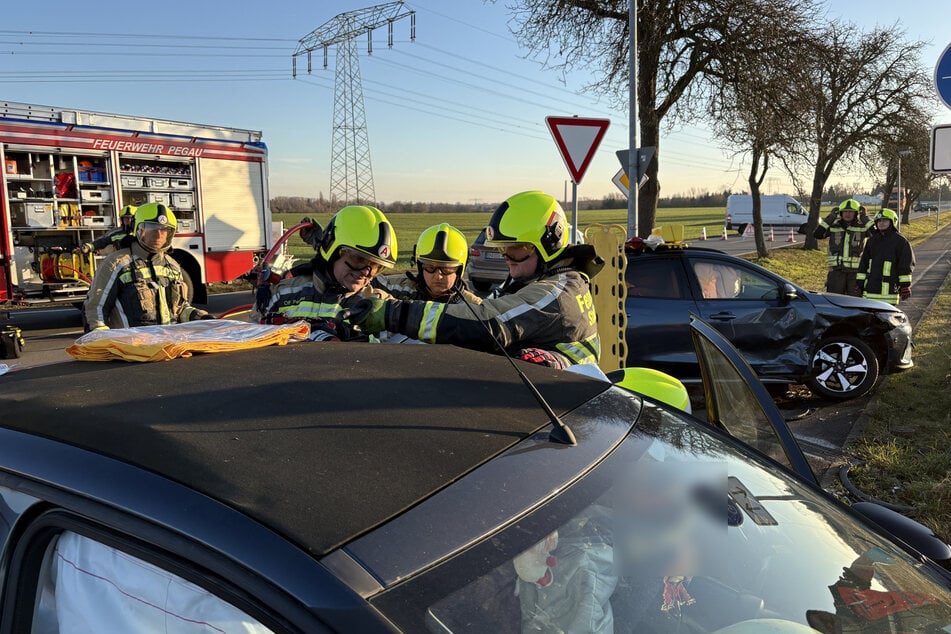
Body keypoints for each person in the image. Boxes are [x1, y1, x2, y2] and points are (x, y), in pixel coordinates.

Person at [344, 191, 603, 368]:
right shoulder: (540, 279)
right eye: (503, 249)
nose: (508, 259)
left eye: (517, 249)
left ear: (550, 240)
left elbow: (487, 323)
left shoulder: (553, 293)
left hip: (564, 403)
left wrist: (394, 314)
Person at [251, 205, 396, 340]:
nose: (365, 272)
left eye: (376, 266)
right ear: (331, 250)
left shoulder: (381, 307)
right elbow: (249, 341)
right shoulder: (281, 294)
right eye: (358, 259)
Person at [84, 203, 211, 330]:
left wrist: (199, 317)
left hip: (167, 345)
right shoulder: (116, 263)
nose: (158, 235)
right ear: (138, 230)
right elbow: (96, 308)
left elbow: (180, 308)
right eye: (152, 229)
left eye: (164, 230)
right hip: (131, 347)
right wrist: (102, 339)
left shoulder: (173, 266)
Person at [376, 223, 482, 305]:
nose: (438, 276)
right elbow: (364, 283)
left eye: (447, 269)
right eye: (430, 267)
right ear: (420, 266)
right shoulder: (398, 289)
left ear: (460, 270)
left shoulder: (473, 307)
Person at [813, 198, 873, 295]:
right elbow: (817, 234)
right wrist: (830, 218)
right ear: (840, 213)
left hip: (855, 273)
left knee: (855, 301)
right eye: (845, 211)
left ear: (856, 213)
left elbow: (877, 234)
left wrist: (865, 218)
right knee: (835, 300)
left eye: (851, 212)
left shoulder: (862, 227)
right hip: (836, 272)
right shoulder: (834, 226)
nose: (847, 214)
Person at [855, 208, 914, 305]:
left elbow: (905, 265)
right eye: (879, 221)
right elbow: (864, 264)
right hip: (870, 292)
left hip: (889, 293)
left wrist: (905, 286)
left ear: (892, 222)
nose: (881, 223)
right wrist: (859, 284)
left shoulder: (901, 242)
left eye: (885, 220)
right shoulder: (871, 241)